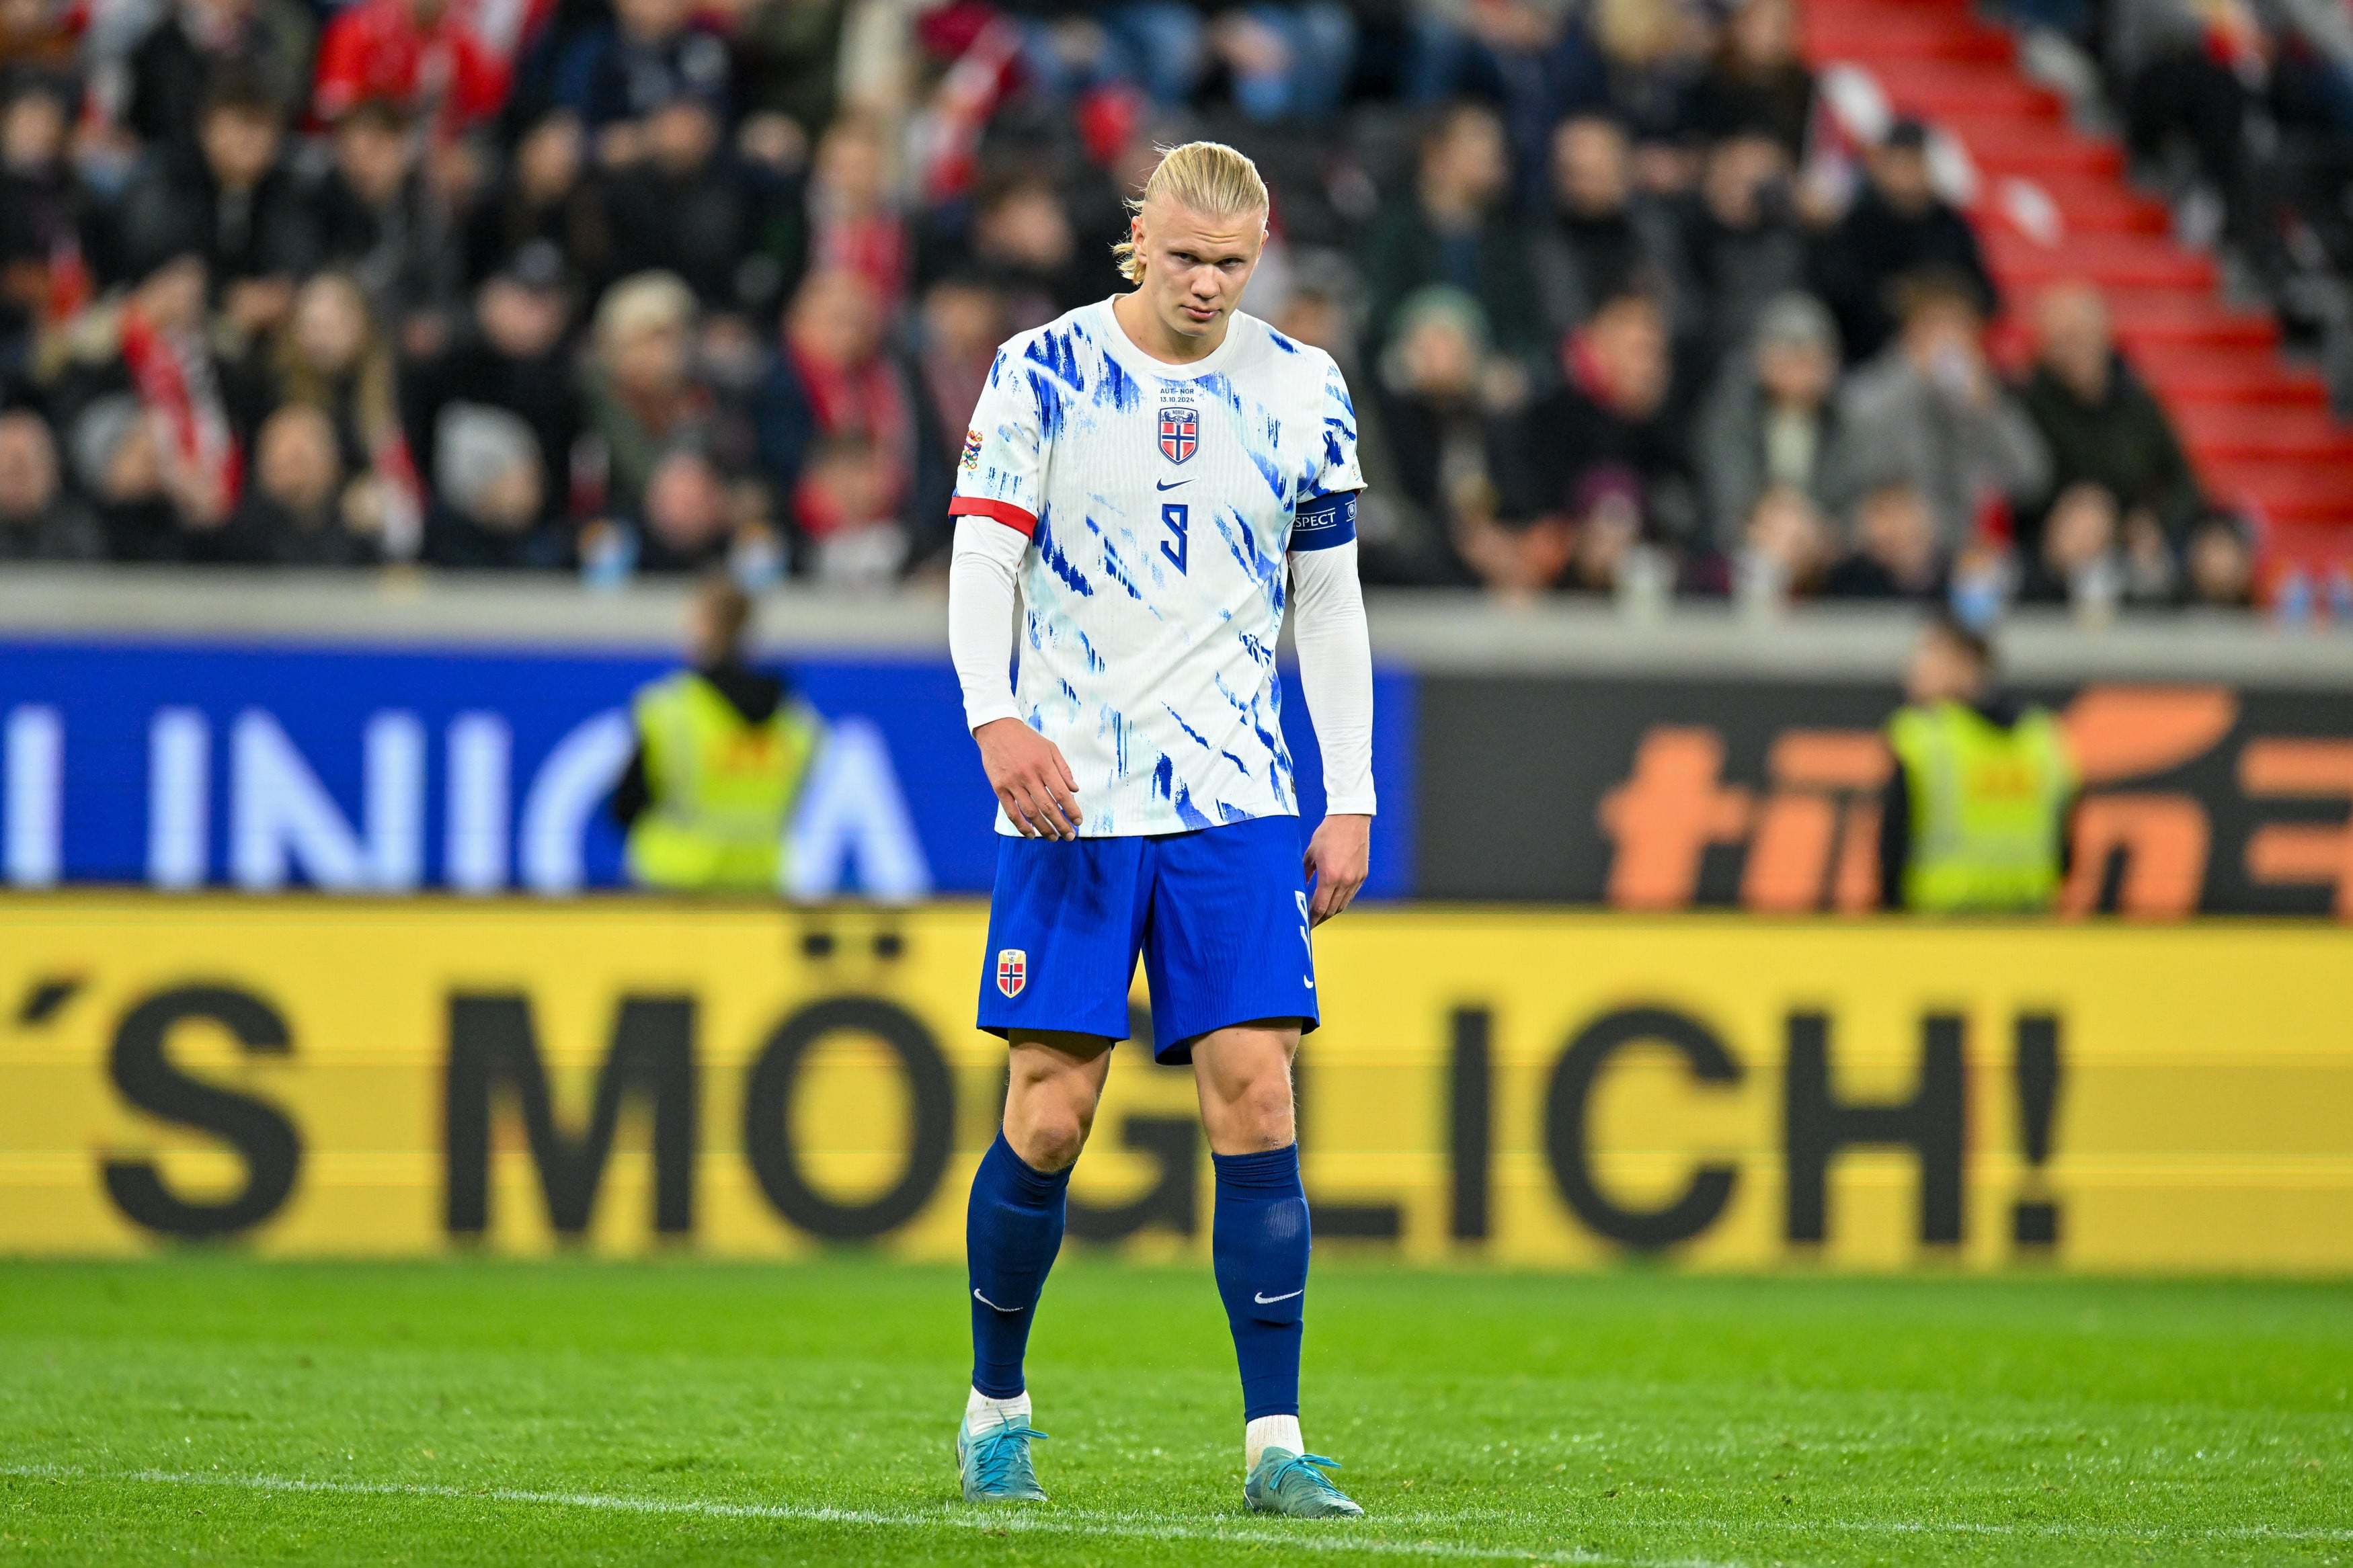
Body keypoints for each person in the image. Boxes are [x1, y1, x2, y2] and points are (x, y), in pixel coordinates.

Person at [943, 140, 1373, 1518]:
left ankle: (1274, 1440)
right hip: (1076, 793)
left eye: (1231, 266)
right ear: (1138, 236)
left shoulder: (1300, 387)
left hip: (1237, 797)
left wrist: (1349, 786)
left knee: (1257, 1089)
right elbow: (984, 555)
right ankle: (995, 1405)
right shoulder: (1043, 369)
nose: (1205, 284)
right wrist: (991, 716)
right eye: (1183, 257)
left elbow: (1330, 605)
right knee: (1053, 1112)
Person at [608, 571, 823, 889]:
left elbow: (625, 806)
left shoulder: (672, 711)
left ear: (703, 628)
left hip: (673, 885)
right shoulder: (796, 722)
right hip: (756, 888)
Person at [1880, 614, 2077, 913]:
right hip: (2031, 922)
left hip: (1940, 923)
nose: (1915, 670)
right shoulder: (2044, 738)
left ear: (1968, 666)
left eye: (1931, 657)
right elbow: (2065, 845)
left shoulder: (1922, 738)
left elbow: (1893, 844)